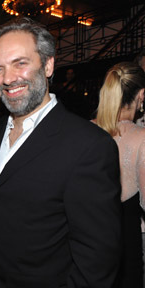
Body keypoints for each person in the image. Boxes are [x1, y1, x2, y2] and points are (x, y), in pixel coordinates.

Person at [0, 17, 122, 287]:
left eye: (20, 63)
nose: (7, 79)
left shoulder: (90, 146)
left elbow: (97, 260)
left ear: (49, 65)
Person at [94, 62, 145, 287]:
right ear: (141, 94)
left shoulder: (84, 131)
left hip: (89, 246)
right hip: (126, 249)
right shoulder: (141, 138)